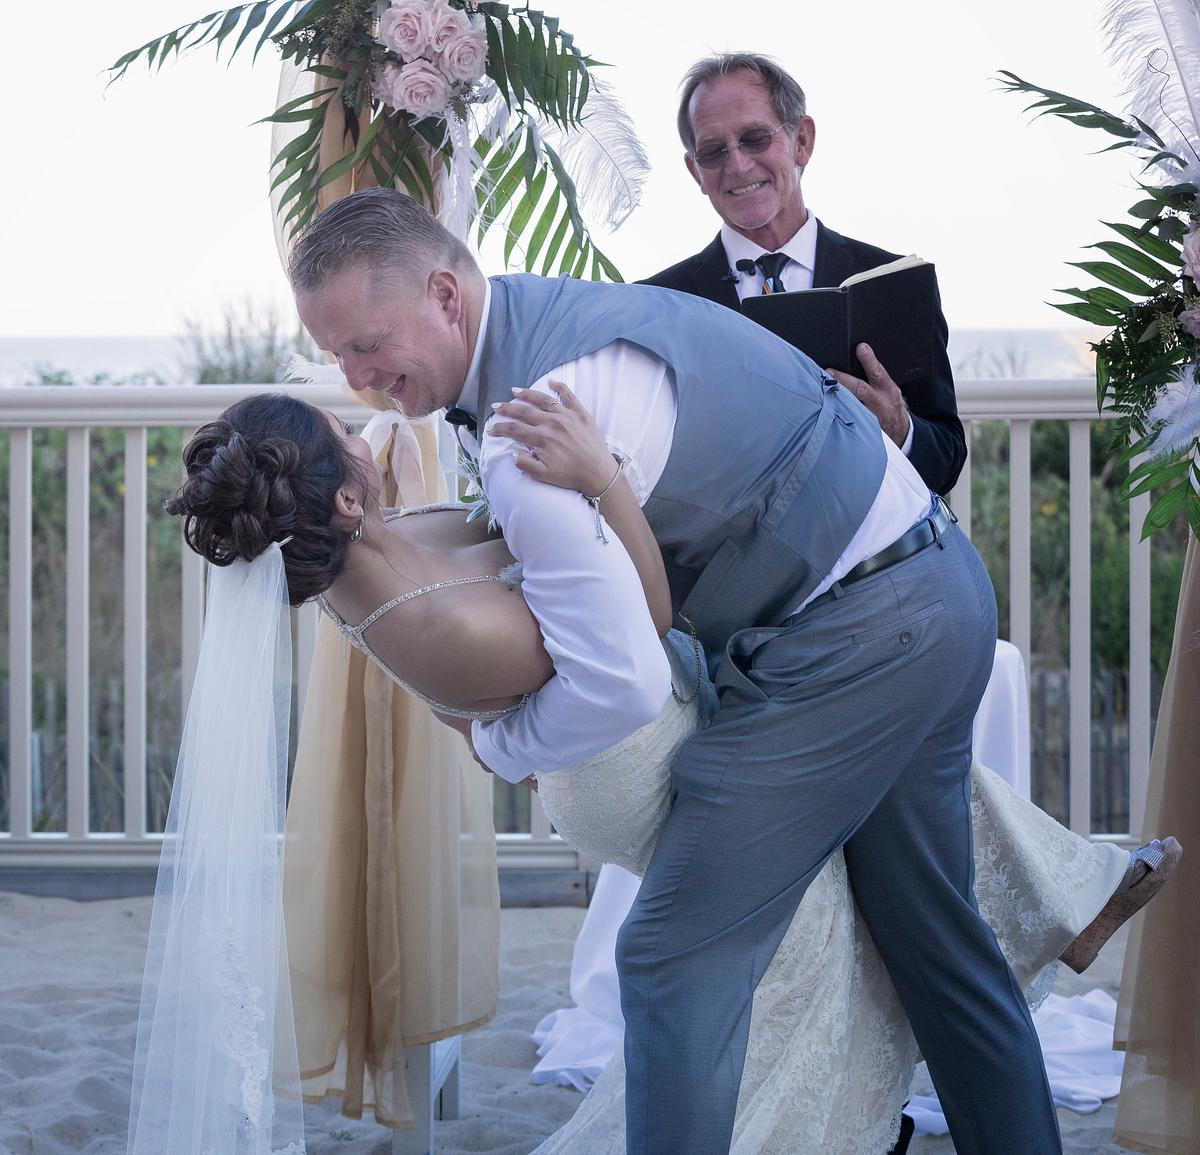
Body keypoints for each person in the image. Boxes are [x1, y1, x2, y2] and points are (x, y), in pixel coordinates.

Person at [161, 386, 1173, 1152]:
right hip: (627, 758)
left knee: (849, 794)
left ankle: (1070, 889)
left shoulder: (377, 550)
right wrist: (603, 480)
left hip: (613, 731)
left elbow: (496, 546)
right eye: (346, 435)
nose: (366, 431)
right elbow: (635, 637)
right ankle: (1055, 904)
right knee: (809, 919)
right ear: (344, 494)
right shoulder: (440, 623)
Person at [287, 186, 1058, 1155]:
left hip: (859, 637)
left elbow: (621, 681)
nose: (358, 379)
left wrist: (499, 742)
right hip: (937, 586)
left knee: (669, 953)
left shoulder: (538, 421)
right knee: (935, 940)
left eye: (367, 344)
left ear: (445, 294)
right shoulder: (537, 329)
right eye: (337, 357)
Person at [641, 53, 965, 496]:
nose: (737, 166)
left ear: (802, 141)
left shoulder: (894, 285)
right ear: (695, 170)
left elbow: (946, 460)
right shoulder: (657, 305)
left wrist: (898, 428)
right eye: (713, 151)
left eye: (755, 139)